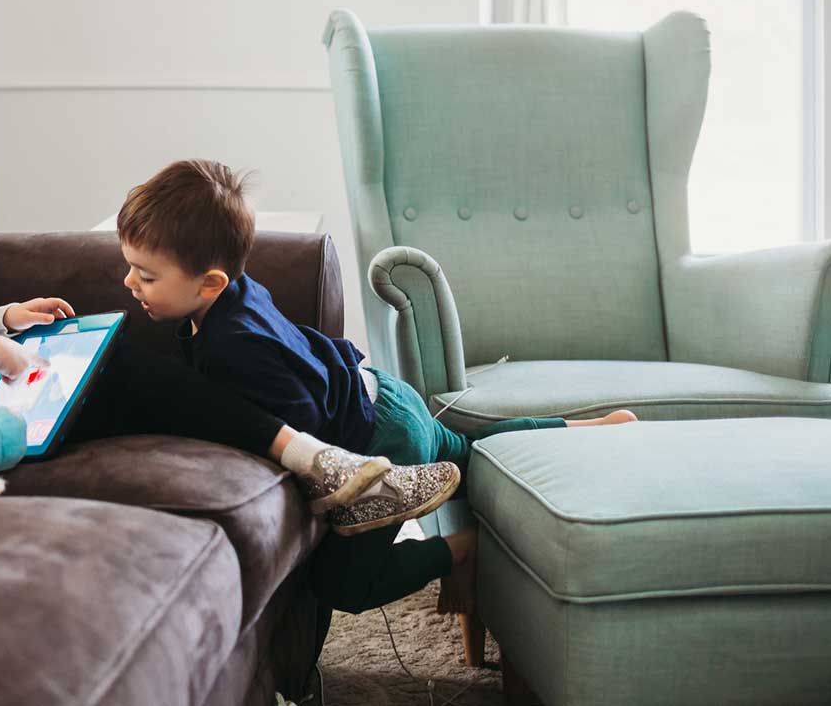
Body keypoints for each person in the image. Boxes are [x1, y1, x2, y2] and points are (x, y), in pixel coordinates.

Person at [0, 133, 461, 534]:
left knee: (123, 361)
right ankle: (314, 460)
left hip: (0, 378)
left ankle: (313, 459)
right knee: (131, 373)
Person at [112, 159, 637, 613]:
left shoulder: (234, 345)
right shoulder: (232, 297)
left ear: (210, 283)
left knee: (342, 585)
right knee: (475, 455)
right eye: (130, 268)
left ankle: (459, 549)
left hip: (382, 436)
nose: (130, 284)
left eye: (146, 275)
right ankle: (578, 428)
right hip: (383, 393)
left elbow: (308, 421)